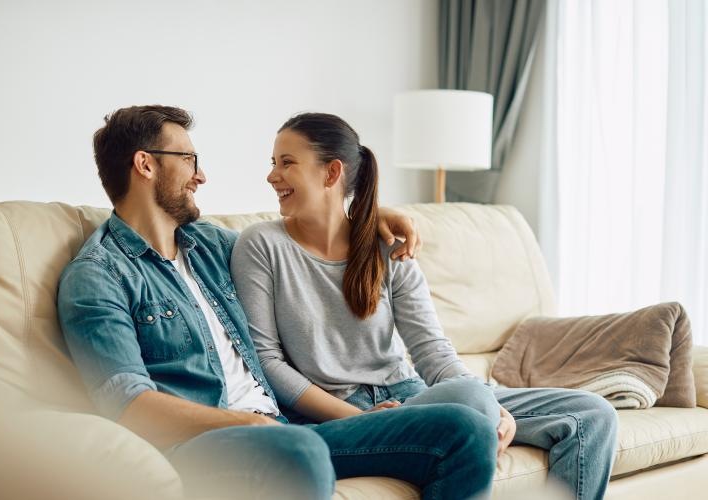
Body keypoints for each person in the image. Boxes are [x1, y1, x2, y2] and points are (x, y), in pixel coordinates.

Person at [57, 105, 498, 500]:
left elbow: (303, 239)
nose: (201, 176)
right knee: (300, 450)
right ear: (145, 164)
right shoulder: (97, 276)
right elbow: (129, 404)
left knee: (466, 428)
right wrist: (248, 424)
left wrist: (364, 217)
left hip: (288, 429)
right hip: (208, 443)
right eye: (189, 159)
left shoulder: (209, 245)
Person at [230, 112, 619, 500]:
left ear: (331, 173)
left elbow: (431, 348)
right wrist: (361, 419)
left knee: (593, 414)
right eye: (273, 163)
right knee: (469, 406)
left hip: (413, 393)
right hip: (341, 410)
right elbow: (267, 360)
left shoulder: (386, 243)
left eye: (286, 163)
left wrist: (480, 398)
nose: (272, 175)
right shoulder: (261, 244)